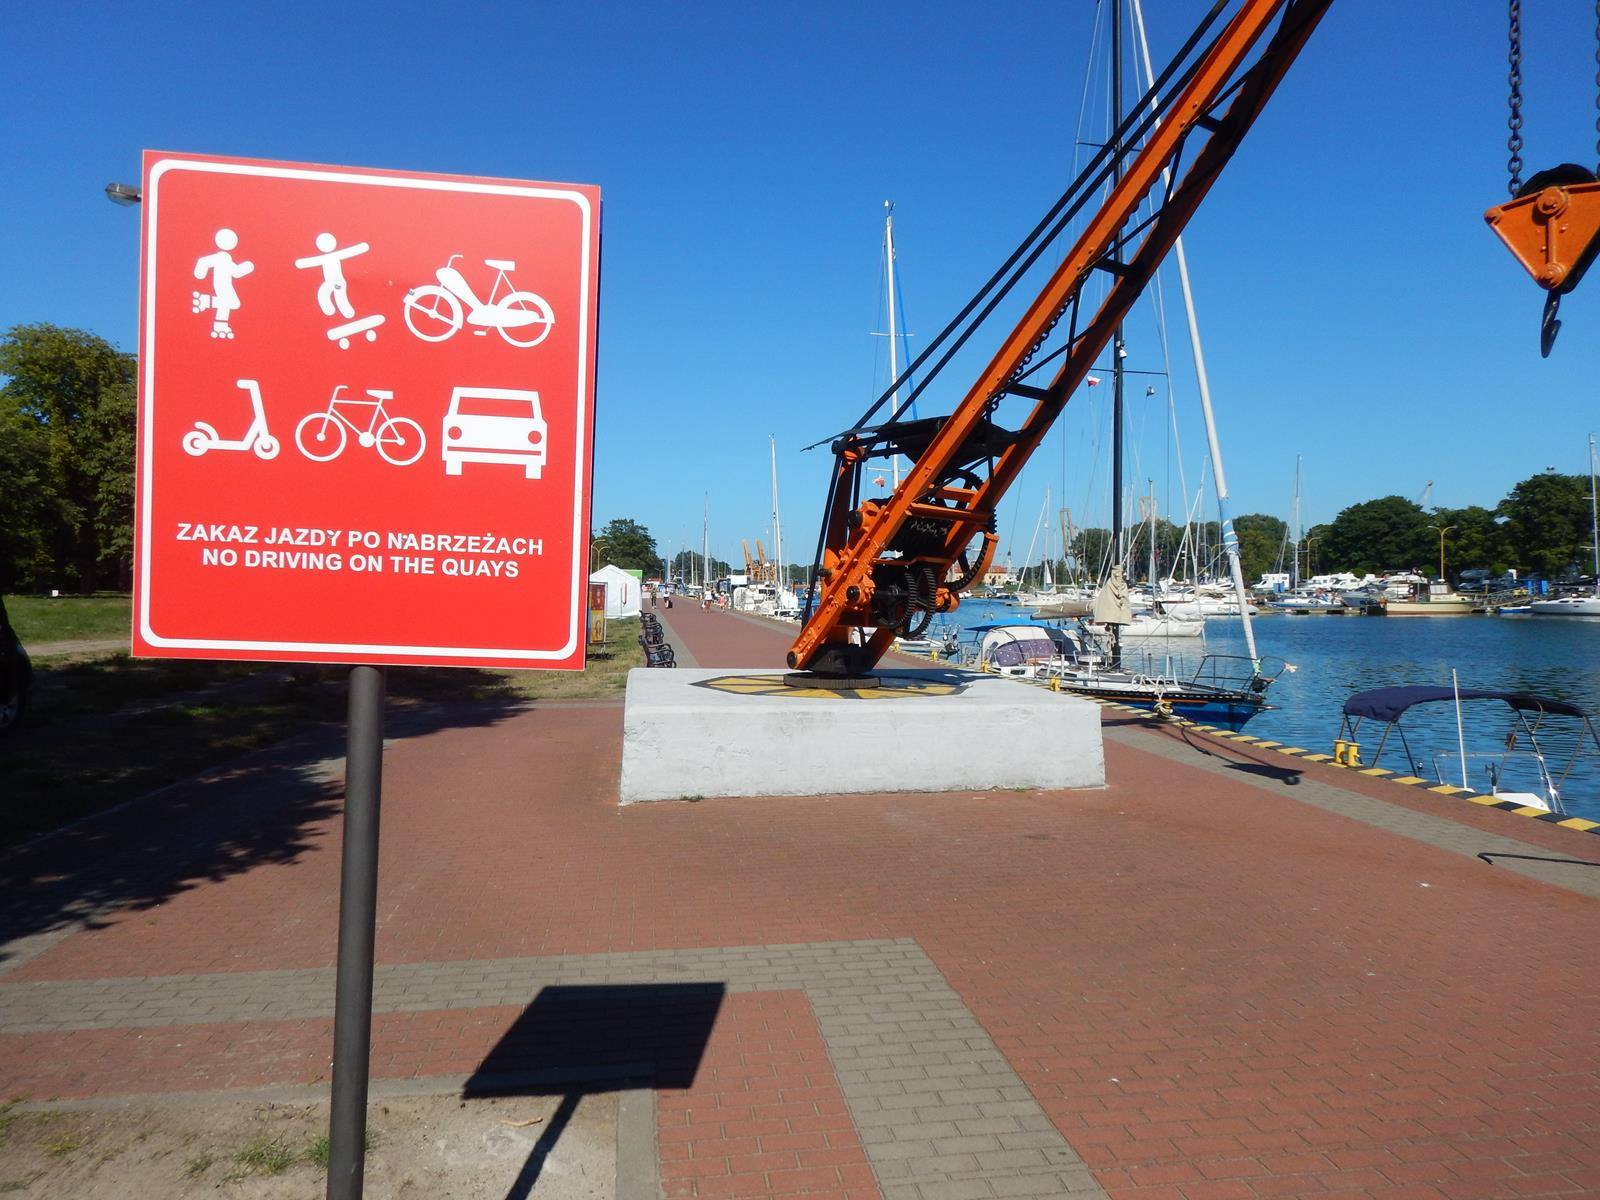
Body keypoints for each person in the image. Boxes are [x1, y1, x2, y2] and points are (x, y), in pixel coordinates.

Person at [192, 228, 254, 339]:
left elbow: (204, 262)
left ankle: (220, 325)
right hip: (222, 285)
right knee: (233, 303)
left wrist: (200, 273)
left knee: (228, 304)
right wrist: (248, 267)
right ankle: (205, 301)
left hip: (223, 285)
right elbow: (236, 272)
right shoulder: (223, 258)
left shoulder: (223, 258)